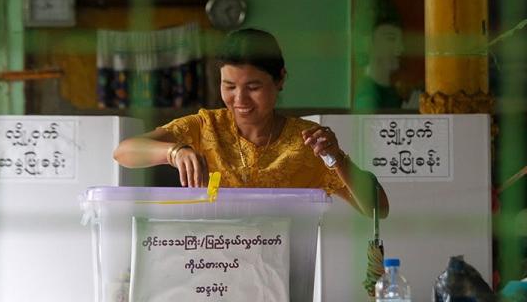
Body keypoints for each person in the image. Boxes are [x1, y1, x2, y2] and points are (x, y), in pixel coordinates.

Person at [114, 28, 389, 218]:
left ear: (280, 79)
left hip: (282, 273)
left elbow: (378, 209)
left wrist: (336, 158)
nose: (239, 99)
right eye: (229, 86)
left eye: (253, 87)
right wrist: (173, 152)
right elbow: (124, 152)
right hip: (213, 267)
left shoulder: (308, 142)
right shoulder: (206, 126)